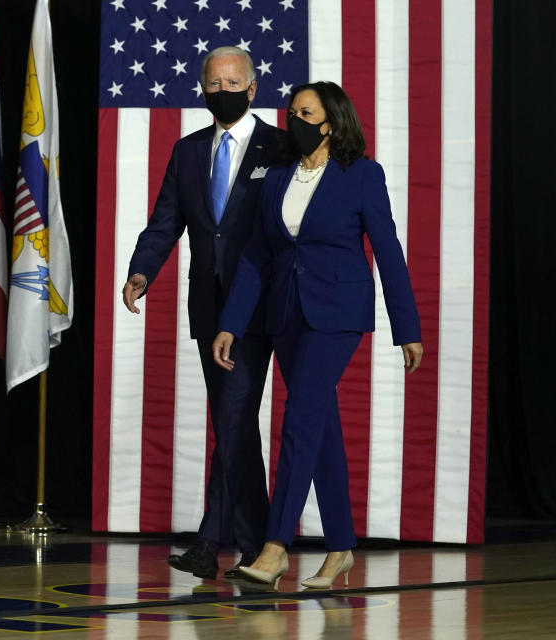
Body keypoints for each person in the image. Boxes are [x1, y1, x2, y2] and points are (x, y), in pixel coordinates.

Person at [212, 81, 423, 590]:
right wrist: (230, 323)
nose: (295, 120)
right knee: (320, 428)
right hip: (286, 315)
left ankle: (276, 545)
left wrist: (407, 327)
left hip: (338, 314)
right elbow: (257, 259)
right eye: (291, 112)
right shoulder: (278, 176)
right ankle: (341, 549)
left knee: (299, 420)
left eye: (306, 113)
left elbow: (389, 251)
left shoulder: (362, 175)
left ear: (331, 123)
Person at [122, 47, 289, 579]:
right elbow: (164, 222)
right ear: (201, 89)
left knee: (235, 416)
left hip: (258, 306)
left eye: (233, 81)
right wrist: (141, 272)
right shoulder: (188, 150)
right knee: (234, 423)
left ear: (254, 87)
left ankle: (209, 542)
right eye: (214, 83)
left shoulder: (280, 148)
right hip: (208, 307)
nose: (224, 90)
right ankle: (258, 544)